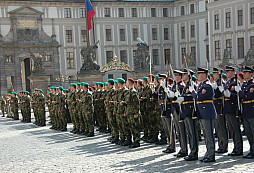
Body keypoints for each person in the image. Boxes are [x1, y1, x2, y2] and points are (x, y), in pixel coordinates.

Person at [190, 67, 217, 163]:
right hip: (203, 113)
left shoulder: (207, 86)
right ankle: (208, 153)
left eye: (199, 74)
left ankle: (211, 154)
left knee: (209, 135)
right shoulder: (201, 85)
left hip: (207, 113)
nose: (197, 76)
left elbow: (199, 97)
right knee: (205, 134)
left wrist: (193, 92)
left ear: (204, 75)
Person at [223, 65, 243, 156]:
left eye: (228, 72)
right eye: (226, 72)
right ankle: (235, 147)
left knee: (236, 129)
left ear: (232, 72)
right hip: (227, 108)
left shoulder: (235, 82)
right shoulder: (228, 82)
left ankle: (239, 148)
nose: (227, 73)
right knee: (232, 130)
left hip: (233, 108)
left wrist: (230, 95)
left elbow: (237, 97)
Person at [180, 69, 199, 161]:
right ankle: (192, 151)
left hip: (191, 111)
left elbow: (194, 97)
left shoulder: (192, 85)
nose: (182, 76)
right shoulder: (185, 86)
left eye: (184, 74)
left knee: (192, 133)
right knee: (190, 133)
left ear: (188, 76)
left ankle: (194, 152)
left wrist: (183, 97)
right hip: (186, 112)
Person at [238, 66, 254, 159]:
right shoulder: (244, 84)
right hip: (245, 110)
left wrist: (241, 93)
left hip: (252, 110)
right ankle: (251, 150)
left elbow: (248, 96)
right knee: (248, 133)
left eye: (246, 72)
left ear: (251, 74)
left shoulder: (252, 84)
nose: (244, 74)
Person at [212, 67, 228, 154]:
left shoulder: (222, 82)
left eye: (215, 74)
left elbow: (222, 94)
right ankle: (220, 144)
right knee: (217, 128)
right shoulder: (215, 83)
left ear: (218, 74)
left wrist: (217, 88)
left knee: (222, 127)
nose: (213, 75)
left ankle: (224, 145)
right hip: (216, 107)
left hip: (220, 107)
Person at [158, 74, 175, 154]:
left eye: (161, 79)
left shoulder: (168, 87)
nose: (160, 80)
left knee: (170, 129)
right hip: (163, 109)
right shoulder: (161, 88)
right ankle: (169, 144)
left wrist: (166, 88)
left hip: (168, 109)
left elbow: (170, 97)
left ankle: (172, 146)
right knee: (166, 129)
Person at [121, 78, 140, 148]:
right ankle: (133, 140)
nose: (126, 83)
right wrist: (124, 103)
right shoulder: (129, 92)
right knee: (131, 127)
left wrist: (136, 113)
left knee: (135, 127)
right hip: (129, 112)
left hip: (133, 112)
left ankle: (137, 141)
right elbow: (129, 102)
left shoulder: (133, 92)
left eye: (126, 82)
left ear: (129, 83)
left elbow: (136, 103)